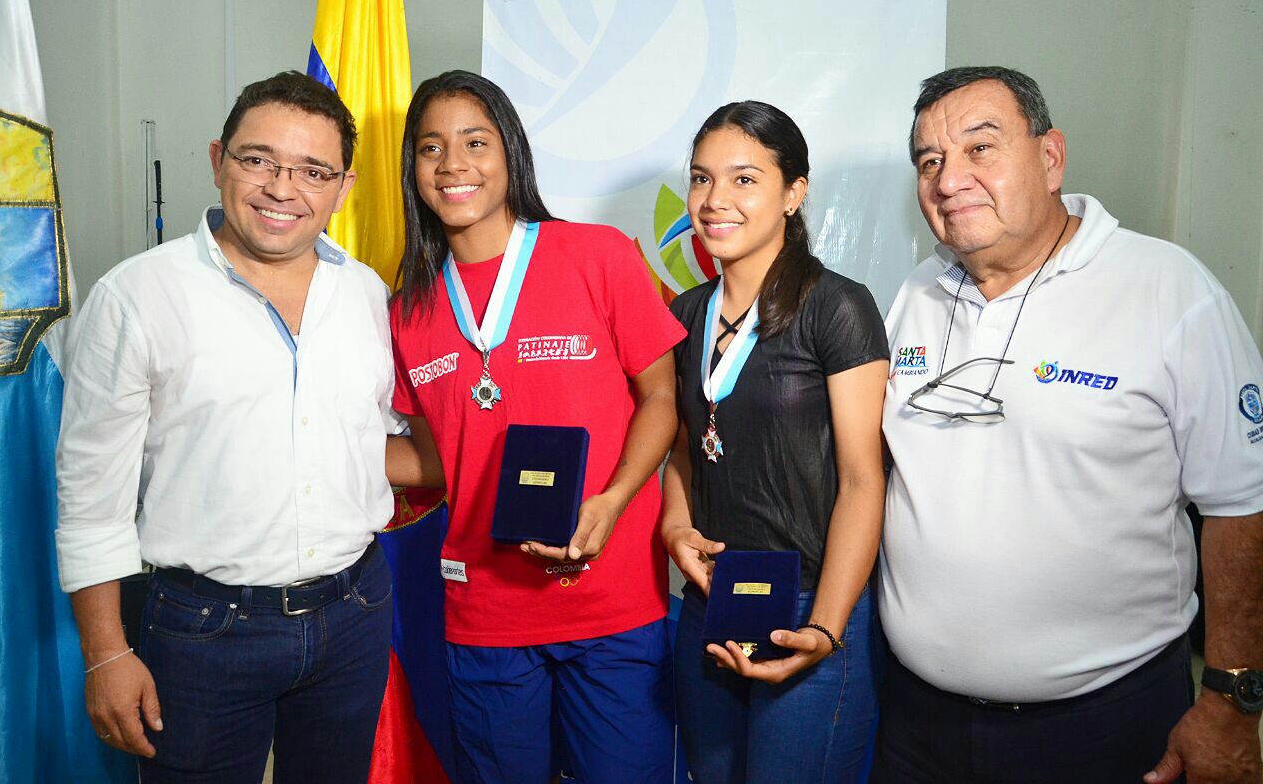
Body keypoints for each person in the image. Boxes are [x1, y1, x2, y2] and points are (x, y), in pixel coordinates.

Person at [876, 66, 1263, 784]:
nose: (949, 179)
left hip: (1106, 727)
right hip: (915, 723)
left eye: (980, 148)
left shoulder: (1167, 289)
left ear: (1050, 158)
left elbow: (1242, 505)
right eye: (929, 161)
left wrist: (1232, 697)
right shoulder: (918, 291)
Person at [55, 71, 399, 784]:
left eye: (313, 171)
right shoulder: (136, 295)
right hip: (205, 631)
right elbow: (90, 495)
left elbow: (372, 441)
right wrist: (106, 653)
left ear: (343, 188)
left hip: (354, 613)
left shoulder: (366, 292)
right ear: (218, 160)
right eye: (258, 159)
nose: (282, 188)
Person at [384, 70, 685, 784]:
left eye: (474, 142)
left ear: (510, 152)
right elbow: (438, 460)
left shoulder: (598, 255)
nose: (452, 164)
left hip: (612, 604)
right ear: (412, 169)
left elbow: (662, 400)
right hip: (484, 613)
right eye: (430, 148)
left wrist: (611, 502)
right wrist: (309, 443)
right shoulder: (408, 311)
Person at [661, 101, 889, 783]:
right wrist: (675, 526)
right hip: (712, 602)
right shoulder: (685, 313)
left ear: (794, 193)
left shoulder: (837, 306)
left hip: (810, 604)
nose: (714, 200)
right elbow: (683, 451)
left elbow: (863, 479)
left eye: (744, 179)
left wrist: (824, 627)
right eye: (701, 179)